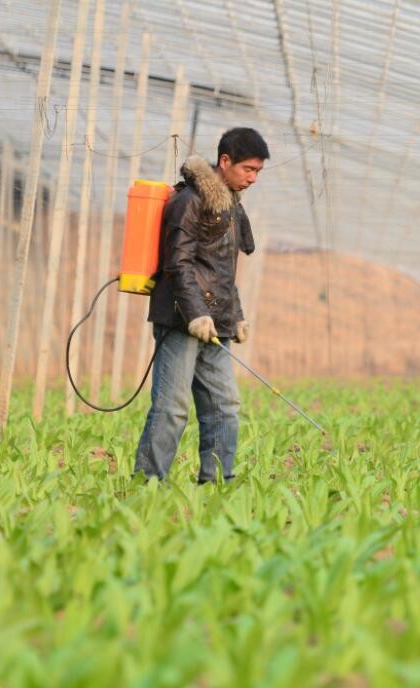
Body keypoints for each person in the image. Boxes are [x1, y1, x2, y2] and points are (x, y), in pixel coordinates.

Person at [133, 127, 270, 484]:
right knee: (172, 409)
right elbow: (178, 263)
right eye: (248, 169)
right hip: (181, 320)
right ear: (225, 162)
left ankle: (217, 484)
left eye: (258, 172)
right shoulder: (189, 201)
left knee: (225, 407)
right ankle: (147, 485)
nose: (253, 178)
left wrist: (235, 315)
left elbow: (222, 270)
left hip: (216, 324)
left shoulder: (231, 205)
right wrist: (195, 314)